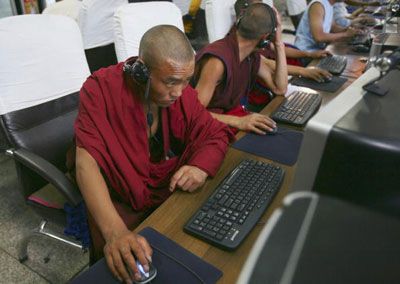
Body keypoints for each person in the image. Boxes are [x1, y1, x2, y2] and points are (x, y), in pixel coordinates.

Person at [74, 25, 233, 284]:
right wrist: (115, 233)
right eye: (170, 82)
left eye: (186, 81)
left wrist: (201, 167)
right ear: (141, 72)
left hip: (159, 184)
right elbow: (86, 163)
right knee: (123, 263)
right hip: (118, 195)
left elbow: (213, 133)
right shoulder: (100, 89)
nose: (179, 93)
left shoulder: (179, 92)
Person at [192, 3, 287, 134]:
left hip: (228, 118)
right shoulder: (217, 62)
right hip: (207, 127)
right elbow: (193, 113)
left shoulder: (251, 56)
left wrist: (279, 45)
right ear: (265, 37)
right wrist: (238, 121)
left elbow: (279, 88)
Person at [295, 0, 362, 51]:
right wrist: (345, 34)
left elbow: (333, 27)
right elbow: (319, 37)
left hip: (319, 49)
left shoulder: (330, 4)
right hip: (306, 52)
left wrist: (347, 29)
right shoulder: (318, 5)